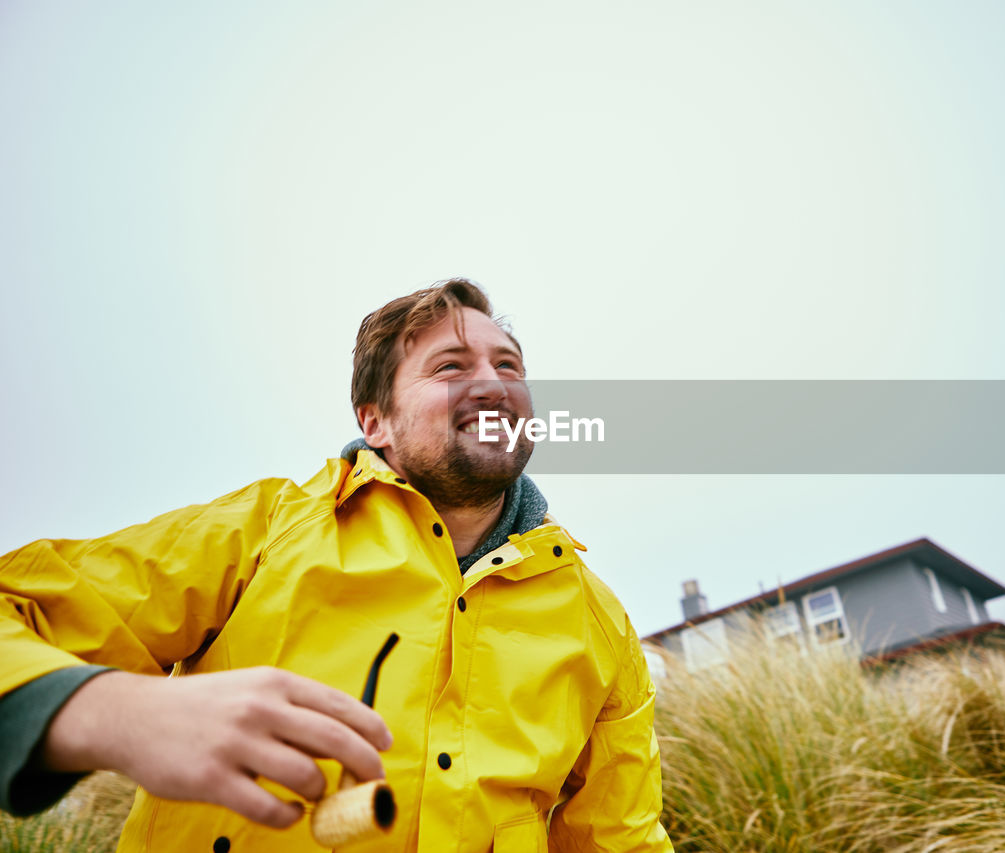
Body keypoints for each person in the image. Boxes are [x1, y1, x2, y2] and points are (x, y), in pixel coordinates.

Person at [0, 279, 672, 852]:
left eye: (510, 366)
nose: (493, 385)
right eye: (450, 367)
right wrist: (116, 711)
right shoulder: (262, 531)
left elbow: (624, 839)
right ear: (375, 420)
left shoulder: (598, 620)